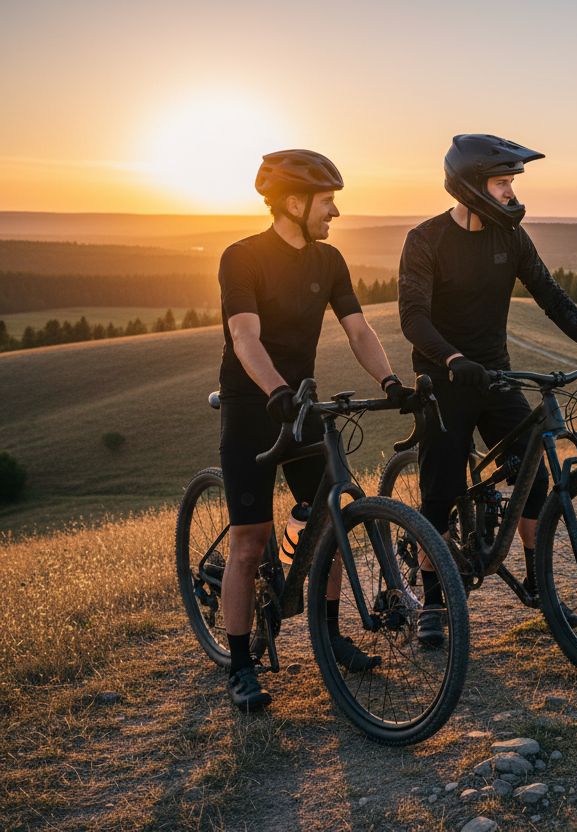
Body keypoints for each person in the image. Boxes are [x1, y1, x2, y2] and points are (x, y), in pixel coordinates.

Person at [398, 134, 577, 645]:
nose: (511, 192)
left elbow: (550, 295)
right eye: (502, 182)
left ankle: (538, 582)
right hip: (443, 380)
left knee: (534, 476)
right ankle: (433, 599)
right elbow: (413, 318)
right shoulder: (426, 239)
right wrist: (454, 359)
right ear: (471, 186)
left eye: (510, 183)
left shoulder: (511, 239)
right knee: (440, 491)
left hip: (496, 375)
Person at [217, 149, 415, 711]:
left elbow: (358, 329)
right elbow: (244, 338)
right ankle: (239, 664)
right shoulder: (242, 257)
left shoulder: (328, 261)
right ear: (295, 202)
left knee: (332, 521)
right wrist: (275, 390)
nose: (334, 212)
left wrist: (391, 379)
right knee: (249, 541)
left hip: (301, 408)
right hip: (252, 408)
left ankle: (329, 636)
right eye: (327, 201)